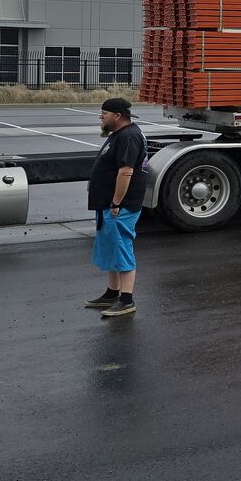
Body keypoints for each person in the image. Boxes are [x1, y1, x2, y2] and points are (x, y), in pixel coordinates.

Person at [83, 97, 148, 318]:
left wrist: (117, 202)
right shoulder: (119, 134)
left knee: (121, 248)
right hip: (108, 204)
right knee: (111, 248)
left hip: (120, 206)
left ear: (118, 116)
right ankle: (112, 294)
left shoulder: (129, 136)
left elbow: (126, 172)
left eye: (104, 113)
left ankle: (127, 300)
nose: (101, 116)